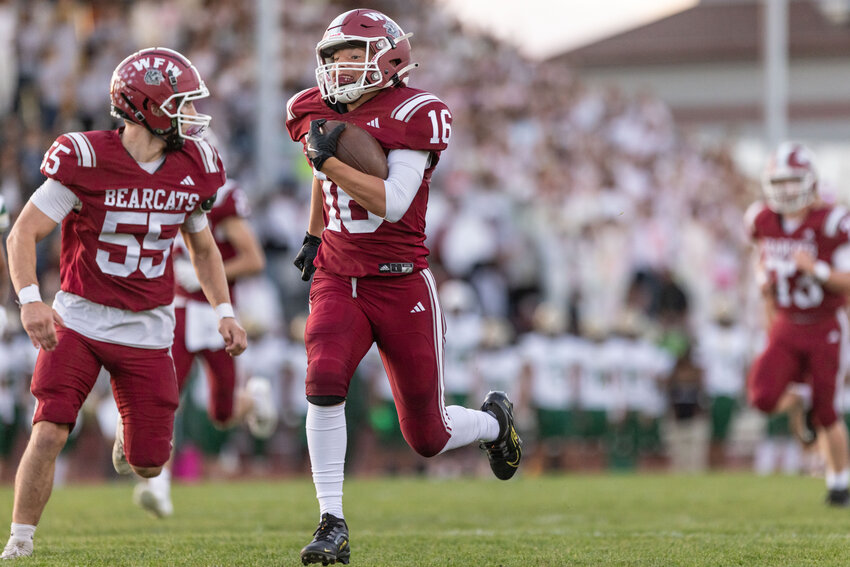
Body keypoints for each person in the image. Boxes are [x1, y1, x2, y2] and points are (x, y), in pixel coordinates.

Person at [285, 9, 522, 565]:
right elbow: (325, 175)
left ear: (388, 60)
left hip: (401, 283)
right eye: (334, 59)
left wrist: (329, 162)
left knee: (428, 435)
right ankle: (331, 520)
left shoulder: (416, 112)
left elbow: (391, 202)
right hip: (340, 276)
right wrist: (314, 234)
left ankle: (493, 422)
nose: (340, 70)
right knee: (322, 378)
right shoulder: (307, 108)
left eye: (352, 57)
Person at [0, 47, 248, 559]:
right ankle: (19, 542)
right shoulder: (86, 157)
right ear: (148, 106)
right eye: (179, 103)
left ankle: (131, 438)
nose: (190, 116)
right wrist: (30, 300)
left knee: (150, 465)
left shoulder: (193, 165)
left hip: (149, 328)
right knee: (48, 429)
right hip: (81, 318)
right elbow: (24, 231)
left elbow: (203, 248)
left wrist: (224, 311)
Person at [129, 172, 271, 518]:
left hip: (215, 314)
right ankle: (158, 487)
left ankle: (252, 399)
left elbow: (255, 260)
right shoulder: (163, 186)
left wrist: (208, 273)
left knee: (221, 414)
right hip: (177, 310)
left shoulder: (222, 198)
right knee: (166, 398)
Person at [746, 141, 850, 507]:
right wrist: (763, 279)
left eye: (794, 181)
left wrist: (816, 270)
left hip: (825, 323)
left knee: (827, 411)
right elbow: (761, 258)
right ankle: (799, 397)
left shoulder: (833, 222)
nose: (787, 190)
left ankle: (840, 484)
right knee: (761, 395)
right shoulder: (761, 219)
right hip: (788, 322)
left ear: (810, 182)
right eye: (780, 181)